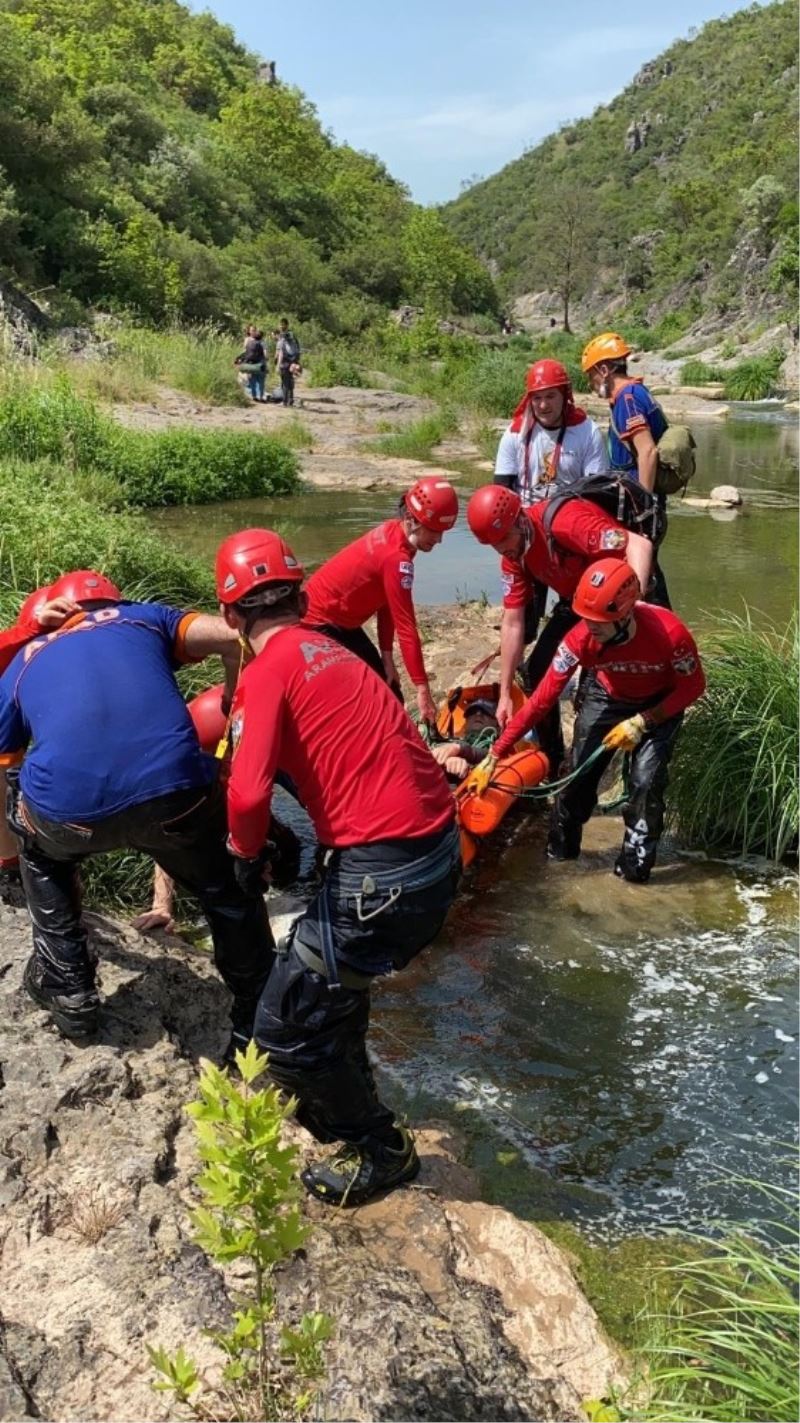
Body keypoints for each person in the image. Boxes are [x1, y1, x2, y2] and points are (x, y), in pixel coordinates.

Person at [218, 528, 461, 1206]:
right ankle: (358, 1097)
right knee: (333, 990)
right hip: (434, 854)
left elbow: (246, 793)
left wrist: (244, 854)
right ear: (300, 600)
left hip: (382, 873)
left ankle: (381, 1149)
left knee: (282, 1033)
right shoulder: (337, 653)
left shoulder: (266, 672)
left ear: (232, 616)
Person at [0, 569, 275, 1046]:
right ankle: (259, 1014)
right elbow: (234, 636)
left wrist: (15, 839)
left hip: (69, 815)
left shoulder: (22, 660)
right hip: (177, 798)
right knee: (226, 890)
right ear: (115, 600)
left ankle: (70, 987)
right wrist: (235, 705)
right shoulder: (144, 617)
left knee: (40, 854)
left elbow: (5, 759)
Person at [469, 559, 705, 882]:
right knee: (575, 779)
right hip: (607, 695)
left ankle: (633, 875)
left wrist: (644, 721)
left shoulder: (670, 634)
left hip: (659, 703)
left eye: (599, 621)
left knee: (645, 784)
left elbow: (693, 687)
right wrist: (495, 754)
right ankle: (559, 860)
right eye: (586, 618)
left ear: (624, 615)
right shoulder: (579, 639)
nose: (590, 626)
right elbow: (541, 700)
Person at [466, 484, 653, 765]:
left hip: (627, 593)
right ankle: (553, 760)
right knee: (536, 673)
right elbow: (513, 622)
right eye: (494, 545)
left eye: (504, 539)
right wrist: (504, 694)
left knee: (606, 685)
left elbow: (639, 545)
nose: (502, 549)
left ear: (520, 519)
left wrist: (634, 606)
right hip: (579, 601)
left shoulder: (568, 523)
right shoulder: (514, 557)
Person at [304, 477, 459, 725]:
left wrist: (387, 658)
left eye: (442, 532)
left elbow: (387, 602)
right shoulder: (396, 558)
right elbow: (407, 628)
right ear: (410, 519)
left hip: (343, 622)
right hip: (319, 623)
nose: (439, 540)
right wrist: (422, 689)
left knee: (390, 691)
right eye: (433, 530)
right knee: (371, 698)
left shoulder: (396, 534)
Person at [581, 332, 671, 607]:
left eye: (591, 376)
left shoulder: (627, 399)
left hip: (639, 506)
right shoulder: (637, 392)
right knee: (648, 571)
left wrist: (644, 507)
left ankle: (660, 628)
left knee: (642, 574)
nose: (591, 384)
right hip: (643, 503)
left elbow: (647, 451)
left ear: (604, 370)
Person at [494, 359, 608, 508]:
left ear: (564, 395)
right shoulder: (515, 434)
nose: (543, 405)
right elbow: (502, 492)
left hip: (572, 514)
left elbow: (597, 494)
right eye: (537, 398)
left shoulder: (588, 432)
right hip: (525, 516)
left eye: (550, 396)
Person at [234, 324, 267, 403]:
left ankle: (254, 396)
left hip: (250, 365)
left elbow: (245, 353)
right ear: (261, 337)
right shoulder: (261, 344)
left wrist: (239, 359)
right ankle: (261, 397)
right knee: (261, 381)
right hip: (259, 365)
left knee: (252, 381)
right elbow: (264, 355)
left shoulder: (249, 343)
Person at [275, 318, 301, 407]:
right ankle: (290, 400)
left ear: (287, 325)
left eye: (282, 324)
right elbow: (298, 349)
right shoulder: (292, 335)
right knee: (289, 381)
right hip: (292, 361)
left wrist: (278, 364)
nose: (281, 326)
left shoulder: (285, 336)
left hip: (286, 361)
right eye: (280, 324)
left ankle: (285, 402)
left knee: (285, 382)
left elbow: (281, 351)